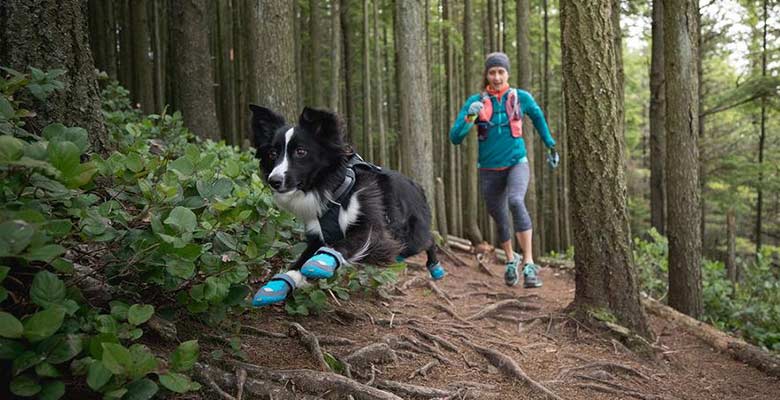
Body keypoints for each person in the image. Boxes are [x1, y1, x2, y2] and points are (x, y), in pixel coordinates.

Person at [449, 52, 558, 288]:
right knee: (499, 216)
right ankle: (511, 259)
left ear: (507, 73)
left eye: (501, 72)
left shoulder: (521, 97)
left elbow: (538, 118)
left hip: (516, 162)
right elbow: (455, 137)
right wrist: (471, 115)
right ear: (486, 75)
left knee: (516, 201)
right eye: (492, 72)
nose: (497, 77)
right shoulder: (475, 101)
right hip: (488, 168)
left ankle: (529, 263)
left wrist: (550, 144)